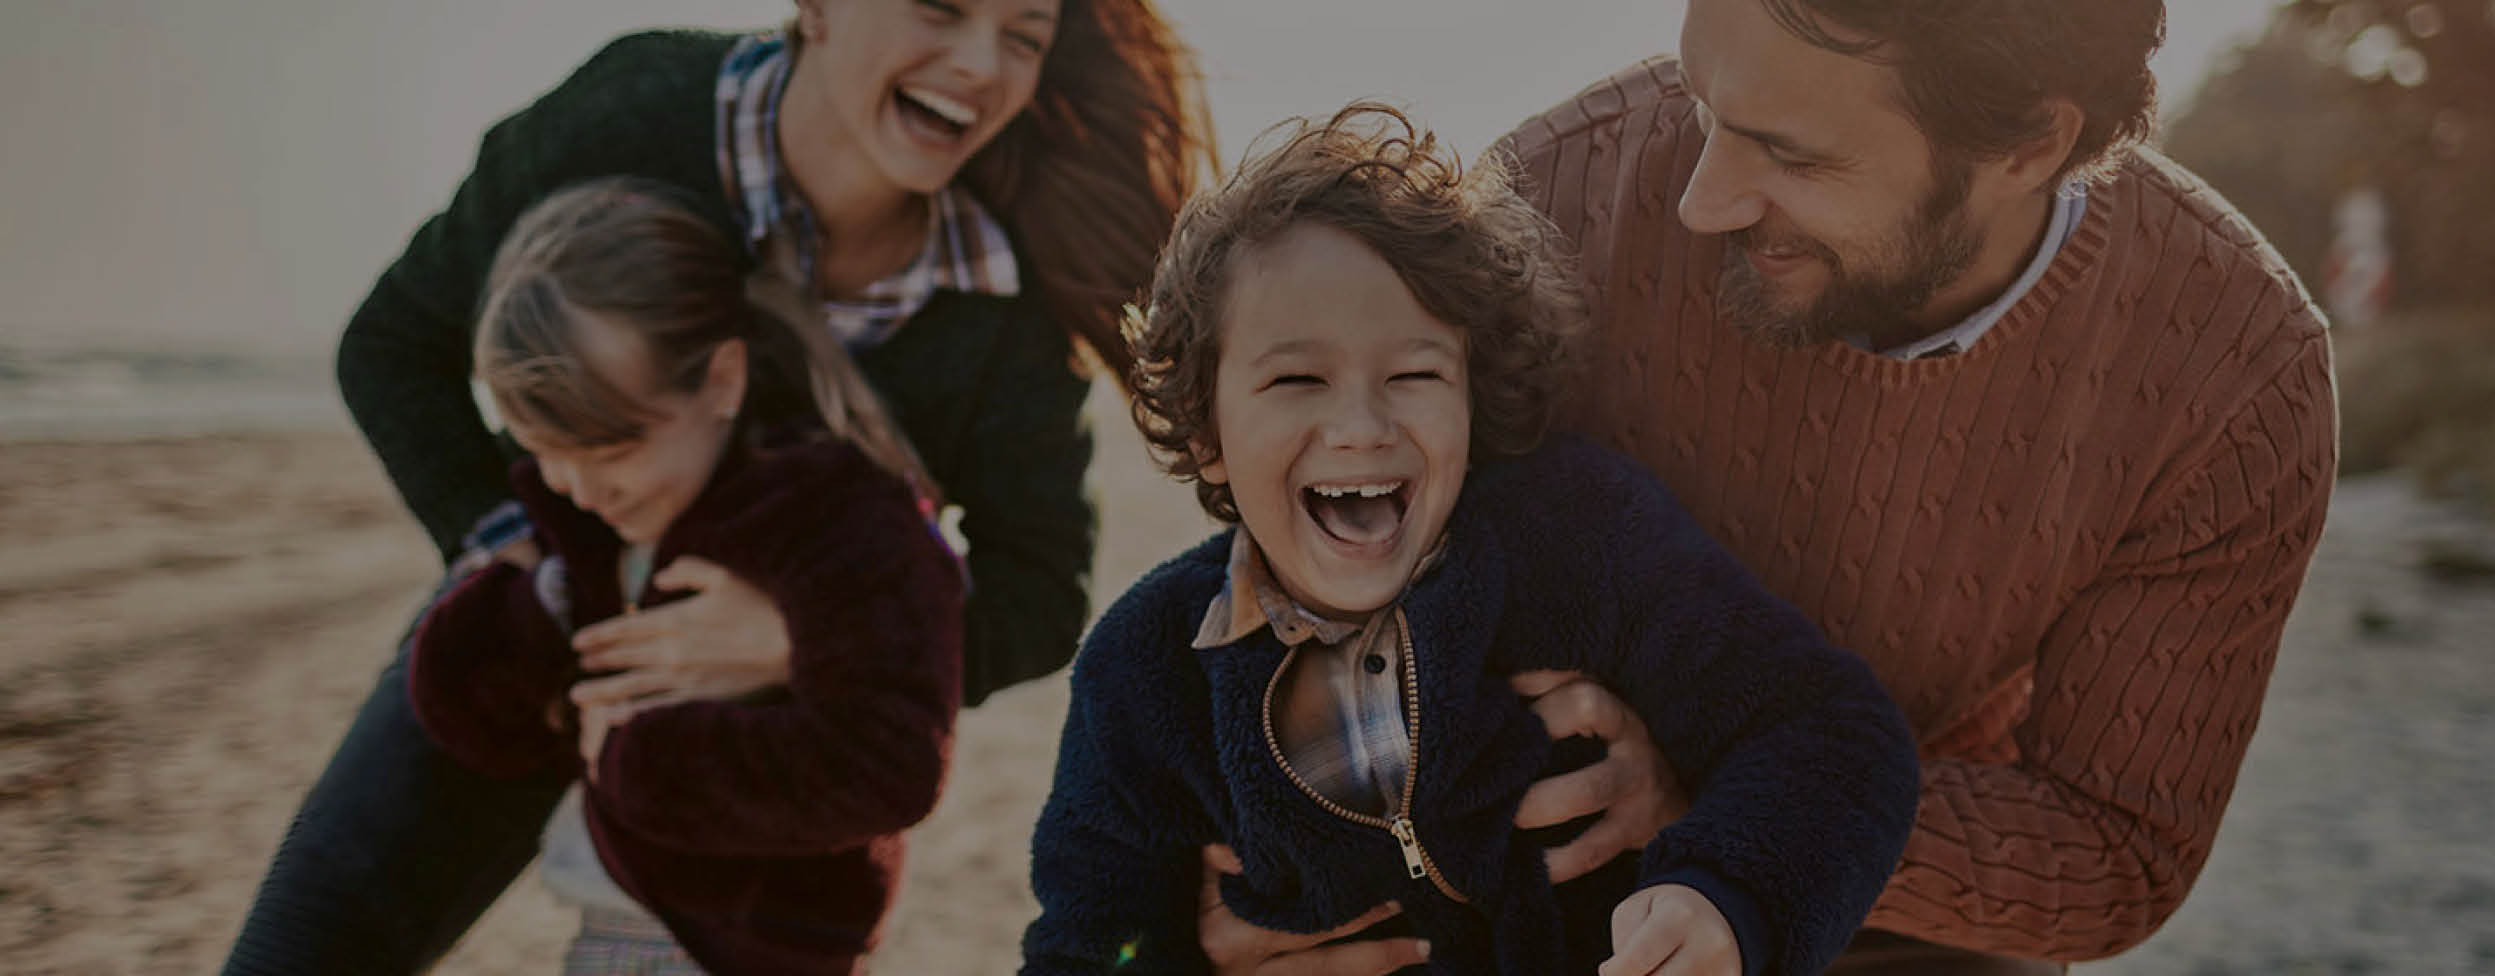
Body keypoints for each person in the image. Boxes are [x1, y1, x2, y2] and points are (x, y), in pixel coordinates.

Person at [1199, 1, 2340, 972]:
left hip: (1898, 925)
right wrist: (1201, 908)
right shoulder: (1551, 197)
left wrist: (1732, 810)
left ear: (2030, 146)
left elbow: (2114, 848)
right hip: (1519, 900)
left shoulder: (2232, 375)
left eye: (1790, 155)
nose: (1700, 198)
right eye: (1702, 105)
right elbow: (1296, 575)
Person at [223, 2, 1210, 971]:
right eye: (940, 8)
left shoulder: (1007, 306)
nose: (981, 63)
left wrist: (803, 636)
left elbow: (1040, 590)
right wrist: (535, 559)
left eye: (1024, 34)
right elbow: (395, 348)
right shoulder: (633, 113)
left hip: (766, 764)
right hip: (536, 649)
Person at [1022, 104, 1921, 976]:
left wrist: (1729, 898)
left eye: (1414, 373)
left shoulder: (1579, 535)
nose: (1361, 426)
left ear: (1471, 396)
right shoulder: (1142, 673)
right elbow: (1087, 945)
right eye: (1297, 378)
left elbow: (1826, 731)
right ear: (1210, 437)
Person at [406, 179, 965, 975]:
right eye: (544, 449)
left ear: (722, 381)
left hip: (765, 951)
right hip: (607, 928)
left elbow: (890, 766)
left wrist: (641, 764)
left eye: (610, 449)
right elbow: (479, 716)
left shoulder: (839, 518)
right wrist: (524, 609)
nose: (577, 483)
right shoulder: (583, 528)